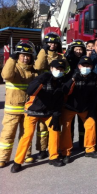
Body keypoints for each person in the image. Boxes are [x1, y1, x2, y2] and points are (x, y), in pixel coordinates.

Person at [10, 60, 67, 173]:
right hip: (32, 111)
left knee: (55, 130)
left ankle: (54, 157)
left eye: (61, 69)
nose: (59, 71)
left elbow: (59, 101)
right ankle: (18, 161)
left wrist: (56, 115)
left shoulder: (61, 83)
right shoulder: (43, 78)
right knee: (28, 135)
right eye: (57, 68)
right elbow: (30, 91)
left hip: (48, 112)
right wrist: (41, 80)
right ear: (51, 69)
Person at [0, 42, 37, 168]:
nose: (26, 57)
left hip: (27, 109)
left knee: (26, 134)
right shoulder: (13, 67)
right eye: (23, 55)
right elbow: (6, 75)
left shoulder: (32, 70)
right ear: (18, 56)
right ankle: (3, 158)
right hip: (12, 109)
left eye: (28, 55)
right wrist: (11, 58)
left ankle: (26, 155)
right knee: (8, 135)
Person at [60, 56, 97, 163]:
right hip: (70, 106)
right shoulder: (72, 75)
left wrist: (91, 109)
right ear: (79, 66)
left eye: (88, 66)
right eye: (84, 65)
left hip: (85, 107)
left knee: (91, 124)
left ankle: (89, 149)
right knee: (66, 127)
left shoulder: (94, 77)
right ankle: (66, 152)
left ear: (91, 67)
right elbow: (64, 90)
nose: (86, 67)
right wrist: (73, 79)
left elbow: (94, 94)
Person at [34, 32, 68, 160]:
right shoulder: (42, 54)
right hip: (44, 91)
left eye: (54, 43)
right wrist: (44, 51)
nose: (52, 45)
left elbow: (67, 69)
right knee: (42, 126)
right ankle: (42, 149)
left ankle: (54, 148)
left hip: (57, 90)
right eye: (49, 43)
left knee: (55, 123)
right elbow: (38, 66)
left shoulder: (61, 56)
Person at [64, 39, 86, 149]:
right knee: (70, 123)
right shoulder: (68, 60)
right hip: (70, 95)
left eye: (80, 49)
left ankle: (83, 142)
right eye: (76, 49)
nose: (78, 51)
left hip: (82, 94)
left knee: (82, 123)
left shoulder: (85, 61)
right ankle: (70, 143)